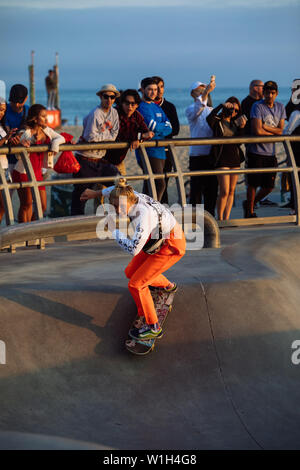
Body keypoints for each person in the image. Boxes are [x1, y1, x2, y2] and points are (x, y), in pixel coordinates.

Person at [80, 177, 186, 340]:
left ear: (127, 201)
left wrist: (115, 231)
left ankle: (153, 327)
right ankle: (167, 286)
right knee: (130, 272)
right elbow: (113, 190)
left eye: (118, 206)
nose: (116, 210)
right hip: (157, 238)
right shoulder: (130, 194)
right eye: (114, 205)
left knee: (136, 284)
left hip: (172, 245)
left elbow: (133, 249)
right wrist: (95, 193)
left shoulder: (143, 217)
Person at [71, 84, 120, 216]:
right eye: (106, 96)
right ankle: (75, 226)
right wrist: (107, 138)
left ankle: (116, 215)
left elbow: (114, 135)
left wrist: (104, 138)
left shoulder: (114, 113)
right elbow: (90, 137)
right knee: (80, 197)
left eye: (112, 97)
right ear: (100, 97)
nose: (109, 100)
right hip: (85, 160)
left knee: (120, 184)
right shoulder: (95, 113)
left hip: (100, 160)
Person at [14, 104, 65, 223]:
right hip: (23, 172)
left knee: (42, 206)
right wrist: (27, 142)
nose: (47, 119)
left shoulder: (46, 130)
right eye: (43, 116)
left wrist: (54, 146)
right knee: (26, 205)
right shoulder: (26, 132)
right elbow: (19, 147)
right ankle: (23, 234)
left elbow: (61, 138)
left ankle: (31, 229)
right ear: (35, 119)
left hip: (37, 172)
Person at [243, 81, 286, 218]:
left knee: (269, 186)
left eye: (272, 93)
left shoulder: (280, 107)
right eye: (267, 92)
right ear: (264, 93)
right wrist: (274, 131)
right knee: (253, 183)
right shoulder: (257, 106)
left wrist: (266, 127)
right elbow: (257, 131)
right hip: (255, 151)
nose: (270, 95)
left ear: (276, 93)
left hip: (270, 152)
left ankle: (250, 203)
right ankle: (250, 210)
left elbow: (281, 130)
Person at [207, 97, 247, 220]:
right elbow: (209, 118)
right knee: (224, 191)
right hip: (221, 158)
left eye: (236, 110)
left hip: (234, 158)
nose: (233, 112)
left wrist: (241, 127)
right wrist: (221, 105)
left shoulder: (236, 122)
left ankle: (227, 218)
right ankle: (220, 219)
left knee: (231, 191)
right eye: (231, 109)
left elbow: (240, 141)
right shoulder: (217, 121)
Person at [136, 77, 172, 201]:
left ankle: (144, 213)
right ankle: (153, 211)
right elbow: (151, 126)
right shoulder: (142, 107)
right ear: (143, 90)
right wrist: (161, 128)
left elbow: (170, 127)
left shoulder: (157, 107)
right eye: (150, 89)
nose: (153, 92)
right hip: (149, 151)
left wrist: (158, 129)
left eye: (155, 90)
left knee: (149, 186)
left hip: (160, 151)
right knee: (159, 184)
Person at [185, 76, 218, 216]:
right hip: (197, 155)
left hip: (211, 154)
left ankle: (210, 217)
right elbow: (198, 108)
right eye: (199, 90)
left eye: (204, 90)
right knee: (196, 190)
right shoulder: (190, 109)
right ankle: (195, 220)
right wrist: (206, 93)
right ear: (192, 94)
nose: (202, 92)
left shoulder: (212, 110)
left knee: (211, 189)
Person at [105, 89, 154, 175]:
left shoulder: (136, 116)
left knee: (122, 186)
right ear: (122, 103)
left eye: (133, 104)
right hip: (103, 159)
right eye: (127, 103)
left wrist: (139, 139)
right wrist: (139, 136)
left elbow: (146, 132)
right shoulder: (114, 113)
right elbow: (119, 134)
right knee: (101, 187)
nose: (130, 107)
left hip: (118, 161)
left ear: (137, 105)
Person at [152, 76, 180, 204]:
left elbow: (175, 129)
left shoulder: (169, 107)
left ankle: (163, 214)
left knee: (165, 182)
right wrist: (164, 128)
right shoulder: (147, 107)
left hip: (167, 151)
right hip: (150, 151)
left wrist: (156, 130)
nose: (159, 90)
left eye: (162, 87)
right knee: (152, 183)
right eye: (156, 87)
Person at [0, 97, 18, 223]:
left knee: (3, 206)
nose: (1, 113)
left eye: (3, 110)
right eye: (0, 110)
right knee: (3, 204)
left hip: (4, 168)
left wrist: (10, 139)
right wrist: (6, 137)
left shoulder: (2, 126)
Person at [5, 84, 29, 176]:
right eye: (14, 102)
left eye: (20, 102)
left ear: (26, 99)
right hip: (8, 160)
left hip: (23, 160)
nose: (16, 105)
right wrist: (11, 138)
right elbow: (5, 133)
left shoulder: (29, 110)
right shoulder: (3, 111)